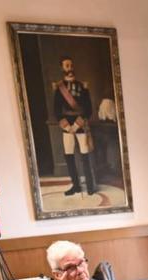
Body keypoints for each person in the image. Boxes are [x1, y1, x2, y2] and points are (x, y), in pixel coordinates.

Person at [54, 55, 97, 196]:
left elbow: (88, 109)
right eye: (66, 66)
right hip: (67, 128)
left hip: (81, 126)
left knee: (85, 156)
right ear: (62, 68)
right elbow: (56, 110)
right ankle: (76, 186)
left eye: (71, 65)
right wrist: (67, 126)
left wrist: (78, 124)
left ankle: (90, 186)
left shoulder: (82, 86)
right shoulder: (59, 87)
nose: (70, 68)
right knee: (69, 156)